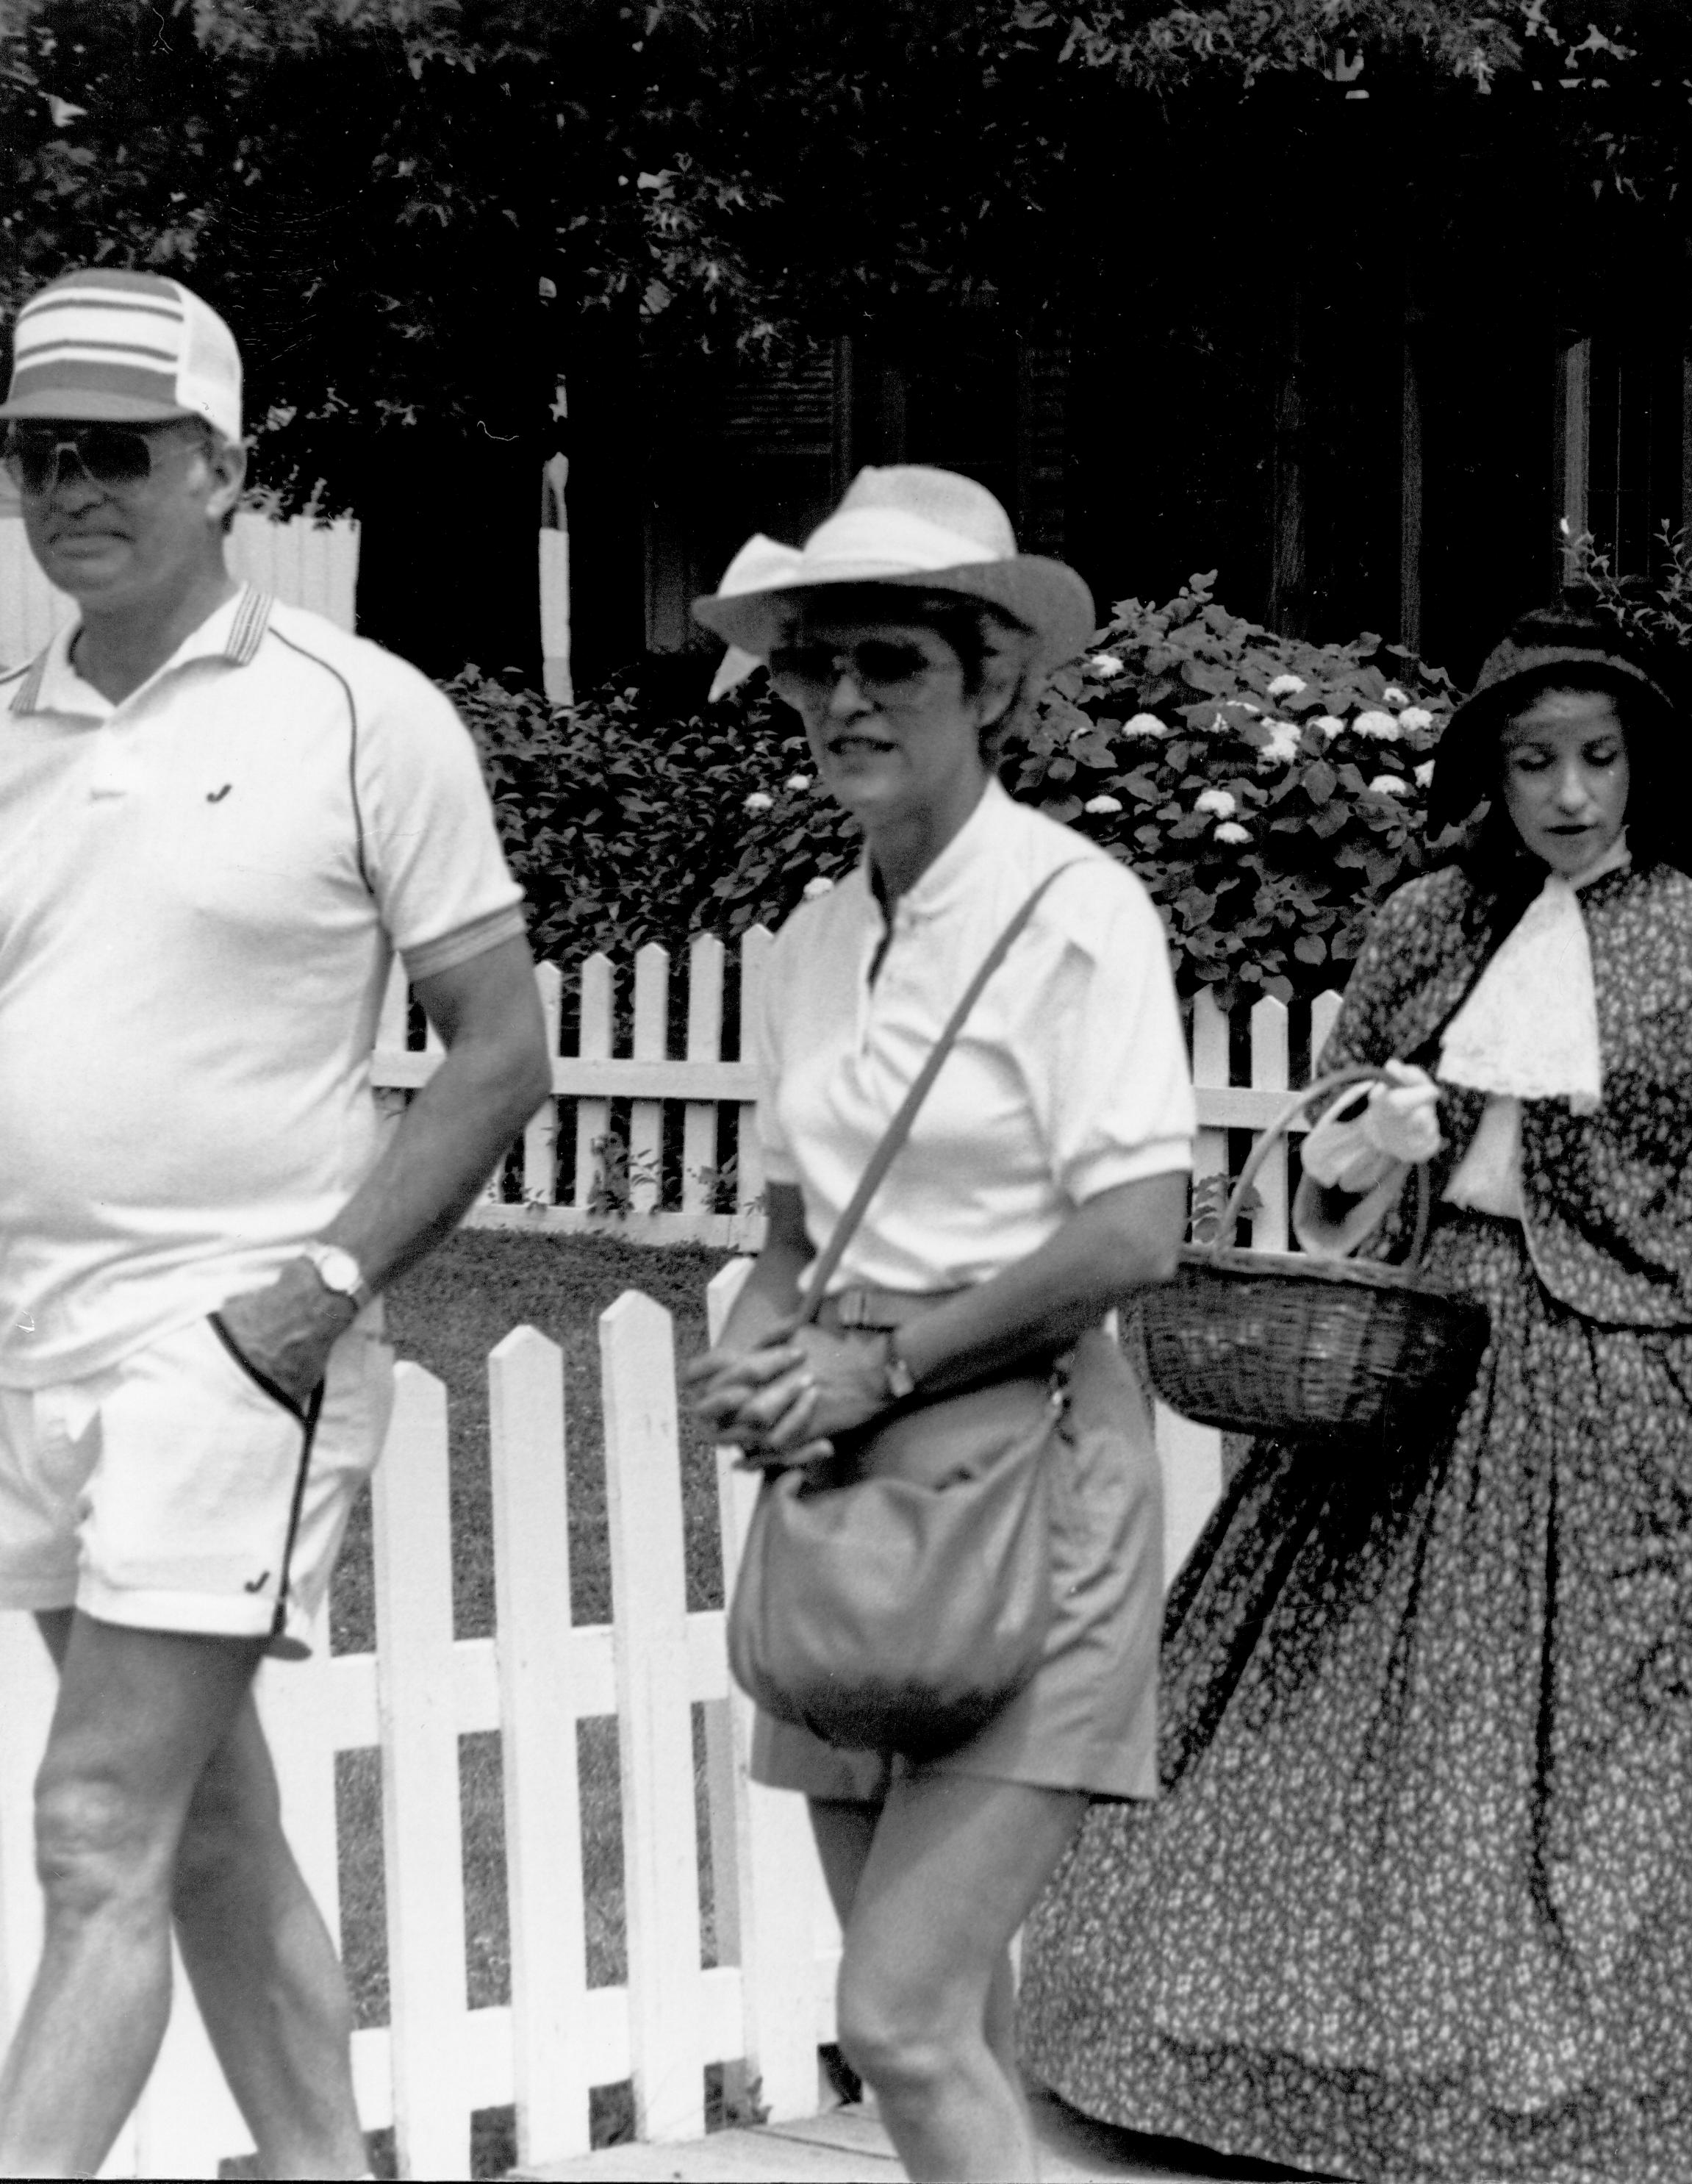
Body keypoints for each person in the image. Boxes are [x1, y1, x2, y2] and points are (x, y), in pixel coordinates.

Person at [1017, 601, 1692, 2182]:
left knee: (1644, 1729)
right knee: (1346, 1716)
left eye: (1597, 760)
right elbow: (1307, 1149)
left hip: (1627, 1372)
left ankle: (1664, 2081)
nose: (1569, 795)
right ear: (1488, 776)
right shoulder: (1425, 924)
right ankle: (1324, 2057)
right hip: (1420, 1359)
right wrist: (1374, 1142)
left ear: (1640, 766)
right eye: (1534, 764)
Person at [0, 270, 551, 2176]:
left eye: (118, 450)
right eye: (36, 451)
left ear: (223, 468)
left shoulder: (358, 715)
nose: (72, 486)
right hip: (35, 1342)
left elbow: (501, 1050)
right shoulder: (7, 734)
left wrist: (312, 1297)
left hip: (230, 1350)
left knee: (90, 1832)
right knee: (202, 1827)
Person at [680, 468, 1196, 2180]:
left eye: (889, 661)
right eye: (814, 665)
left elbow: (1136, 1228)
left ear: (991, 682)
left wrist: (884, 1359)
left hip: (1036, 1474)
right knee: (945, 2029)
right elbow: (785, 1230)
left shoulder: (1075, 913)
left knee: (898, 2010)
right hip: (848, 1502)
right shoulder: (821, 936)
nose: (841, 700)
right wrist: (763, 1349)